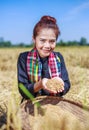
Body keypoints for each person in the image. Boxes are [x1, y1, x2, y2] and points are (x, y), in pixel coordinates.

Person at [17, 15, 70, 100]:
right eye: (42, 40)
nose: (47, 46)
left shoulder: (58, 57)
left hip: (54, 102)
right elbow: (23, 90)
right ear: (34, 39)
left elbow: (67, 84)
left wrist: (60, 83)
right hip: (32, 103)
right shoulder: (24, 58)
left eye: (52, 41)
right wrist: (41, 84)